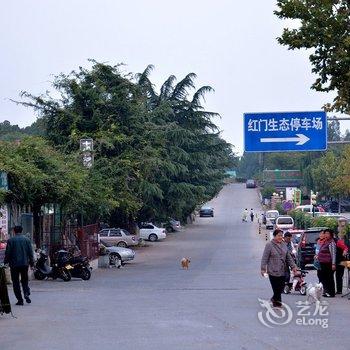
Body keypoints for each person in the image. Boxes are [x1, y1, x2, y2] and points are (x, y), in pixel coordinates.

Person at [261, 229, 297, 307]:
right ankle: (277, 302)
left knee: (280, 287)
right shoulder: (269, 245)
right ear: (274, 236)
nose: (280, 237)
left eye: (281, 235)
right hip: (272, 270)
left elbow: (288, 257)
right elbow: (265, 258)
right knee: (275, 287)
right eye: (279, 235)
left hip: (282, 270)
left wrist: (293, 267)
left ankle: (274, 299)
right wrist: (263, 269)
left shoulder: (284, 244)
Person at [4, 226, 34, 305]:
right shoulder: (27, 240)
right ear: (22, 231)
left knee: (16, 282)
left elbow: (8, 253)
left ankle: (20, 300)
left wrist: (5, 262)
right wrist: (32, 263)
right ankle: (26, 293)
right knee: (25, 280)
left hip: (14, 265)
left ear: (14, 231)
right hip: (24, 264)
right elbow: (30, 253)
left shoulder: (10, 240)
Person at [318, 229, 336, 297]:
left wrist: (333, 264)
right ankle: (326, 291)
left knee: (329, 278)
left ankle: (331, 292)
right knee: (324, 278)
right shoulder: (325, 241)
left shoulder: (331, 243)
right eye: (325, 233)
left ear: (331, 235)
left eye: (328, 233)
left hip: (329, 263)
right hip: (323, 263)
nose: (326, 235)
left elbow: (333, 254)